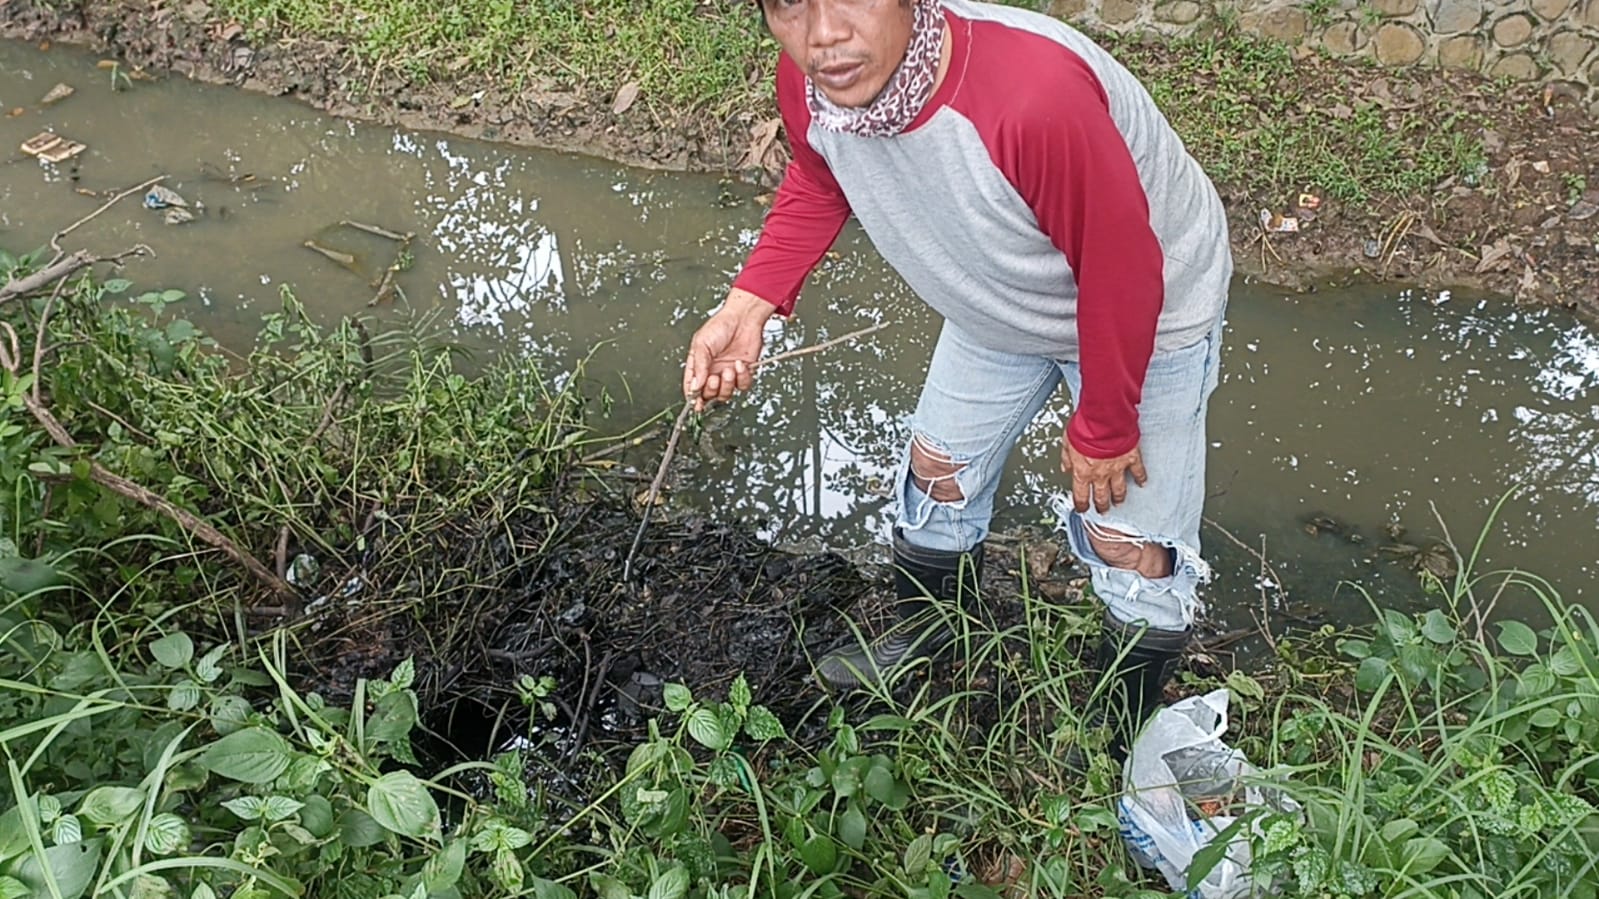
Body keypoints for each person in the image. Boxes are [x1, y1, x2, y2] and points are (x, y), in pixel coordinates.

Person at [681, 0, 1230, 754]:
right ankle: (934, 648)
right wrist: (751, 303)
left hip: (1149, 308)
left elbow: (1122, 269)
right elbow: (817, 175)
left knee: (1130, 544)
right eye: (788, 6)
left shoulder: (1030, 96)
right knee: (934, 483)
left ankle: (1115, 725)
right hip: (999, 301)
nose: (823, 35)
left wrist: (1104, 424)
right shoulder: (816, 79)